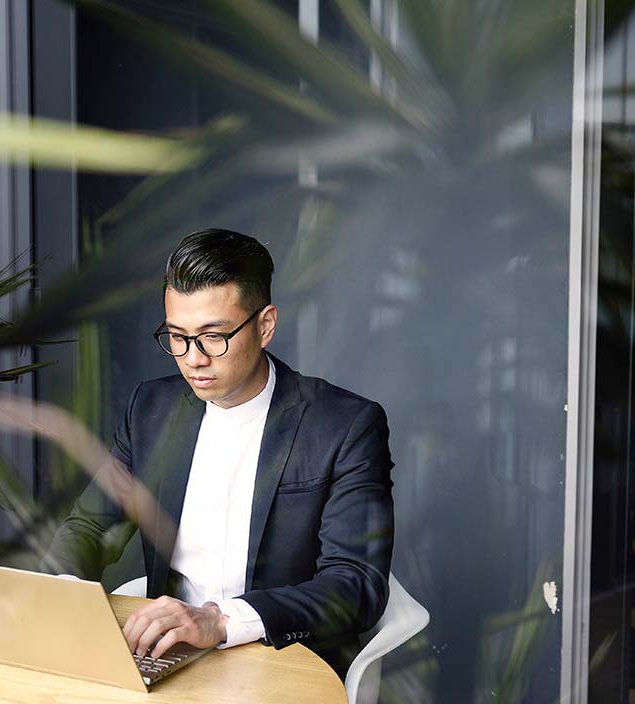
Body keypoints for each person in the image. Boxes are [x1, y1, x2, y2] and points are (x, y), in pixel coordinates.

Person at [45, 228, 394, 678]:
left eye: (214, 336)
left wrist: (221, 621)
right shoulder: (151, 409)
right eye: (177, 336)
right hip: (165, 655)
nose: (193, 358)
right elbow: (91, 524)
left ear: (264, 325)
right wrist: (62, 594)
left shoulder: (344, 425)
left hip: (284, 657)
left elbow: (356, 584)